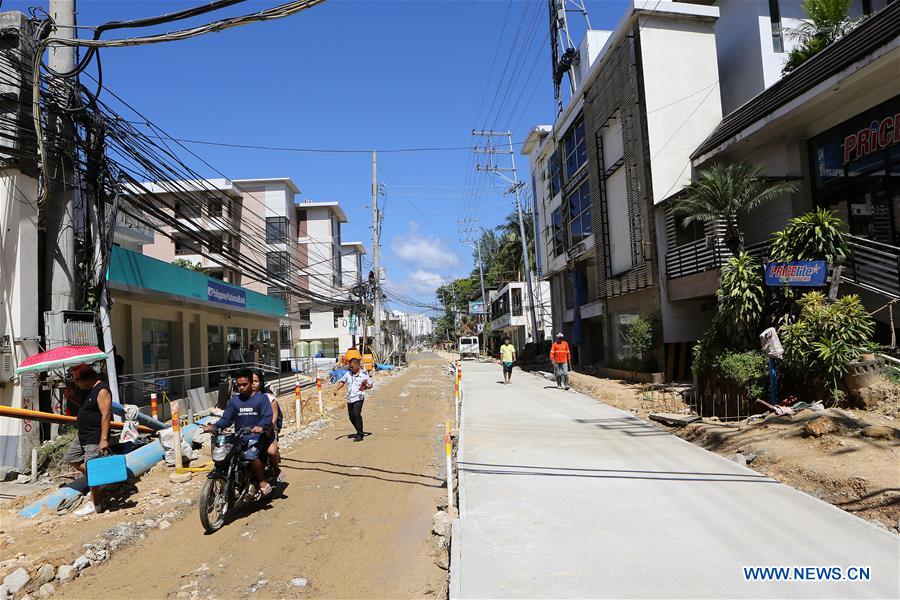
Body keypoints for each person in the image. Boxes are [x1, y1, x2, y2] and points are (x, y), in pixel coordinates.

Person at [205, 368, 273, 496]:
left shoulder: (262, 399)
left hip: (257, 437)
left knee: (251, 456)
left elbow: (268, 417)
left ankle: (261, 481)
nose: (241, 387)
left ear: (251, 383)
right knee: (225, 457)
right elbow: (226, 419)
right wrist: (214, 426)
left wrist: (260, 427)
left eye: (244, 384)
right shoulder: (234, 401)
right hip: (239, 437)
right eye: (239, 385)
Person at [63, 364, 113, 516]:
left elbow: (106, 415)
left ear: (87, 378)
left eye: (77, 380)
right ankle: (100, 479)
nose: (76, 383)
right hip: (82, 435)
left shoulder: (102, 390)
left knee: (92, 469)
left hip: (94, 436)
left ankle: (95, 503)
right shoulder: (88, 390)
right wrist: (72, 397)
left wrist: (104, 439)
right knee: (71, 458)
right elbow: (86, 407)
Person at [252, 370, 282, 481]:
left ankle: (276, 468)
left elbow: (274, 416)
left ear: (261, 382)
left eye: (256, 381)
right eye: (251, 381)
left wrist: (267, 427)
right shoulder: (242, 398)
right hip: (249, 432)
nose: (253, 384)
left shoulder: (269, 397)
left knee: (271, 451)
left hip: (267, 432)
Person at [333, 357, 372, 441]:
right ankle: (359, 430)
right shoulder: (348, 374)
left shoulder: (364, 375)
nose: (351, 368)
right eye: (350, 367)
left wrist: (366, 387)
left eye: (352, 367)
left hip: (359, 397)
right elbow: (342, 382)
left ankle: (360, 434)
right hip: (350, 398)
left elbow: (370, 384)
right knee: (351, 417)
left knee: (356, 414)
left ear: (357, 365)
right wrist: (336, 389)